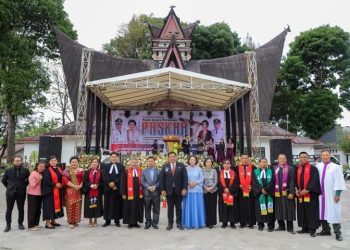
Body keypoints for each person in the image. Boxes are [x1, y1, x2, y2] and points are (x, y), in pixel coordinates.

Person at [316, 150, 347, 241]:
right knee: (322, 212)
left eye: (327, 155)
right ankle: (326, 230)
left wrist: (338, 194)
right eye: (323, 155)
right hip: (321, 194)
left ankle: (338, 233)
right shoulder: (318, 166)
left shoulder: (336, 167)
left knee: (334, 213)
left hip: (331, 194)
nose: (325, 157)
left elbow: (339, 181)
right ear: (321, 156)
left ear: (330, 156)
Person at [159, 152, 188, 230]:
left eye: (173, 157)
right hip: (169, 191)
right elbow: (161, 179)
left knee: (179, 208)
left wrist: (184, 188)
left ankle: (179, 223)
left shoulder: (181, 166)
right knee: (170, 208)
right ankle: (170, 223)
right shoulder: (165, 166)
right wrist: (162, 189)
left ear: (176, 157)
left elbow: (185, 178)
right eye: (170, 157)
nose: (172, 158)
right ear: (168, 158)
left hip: (179, 191)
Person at [295, 151, 321, 237]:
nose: (303, 158)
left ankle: (312, 229)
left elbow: (314, 180)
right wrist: (296, 190)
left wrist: (307, 189)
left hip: (310, 194)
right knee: (302, 211)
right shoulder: (297, 168)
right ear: (299, 158)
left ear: (308, 157)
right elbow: (295, 181)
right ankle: (304, 228)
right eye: (302, 157)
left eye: (305, 157)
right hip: (300, 195)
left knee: (311, 212)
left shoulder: (313, 168)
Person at [2, 156, 30, 232]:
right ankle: (8, 225)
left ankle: (20, 224)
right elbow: (4, 180)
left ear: (21, 161)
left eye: (19, 160)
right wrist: (9, 187)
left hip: (21, 193)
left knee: (21, 209)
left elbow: (28, 180)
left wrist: (23, 186)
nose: (17, 162)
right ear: (13, 162)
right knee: (9, 209)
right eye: (16, 160)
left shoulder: (26, 170)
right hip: (10, 193)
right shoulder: (8, 170)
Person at [274, 154, 296, 234]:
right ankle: (281, 226)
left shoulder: (290, 169)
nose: (282, 160)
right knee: (279, 209)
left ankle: (290, 228)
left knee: (289, 209)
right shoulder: (274, 169)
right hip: (277, 193)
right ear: (278, 159)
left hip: (287, 192)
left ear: (286, 159)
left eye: (284, 158)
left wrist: (291, 192)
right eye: (280, 158)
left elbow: (292, 181)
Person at [101, 151, 125, 227]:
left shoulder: (121, 166)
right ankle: (107, 221)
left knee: (117, 205)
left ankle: (117, 220)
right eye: (112, 157)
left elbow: (121, 177)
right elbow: (104, 176)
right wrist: (110, 183)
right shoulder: (106, 166)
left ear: (118, 158)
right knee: (107, 204)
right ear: (110, 158)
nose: (114, 158)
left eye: (115, 157)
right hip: (108, 188)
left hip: (117, 188)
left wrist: (114, 183)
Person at [182, 156, 205, 229]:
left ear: (196, 161)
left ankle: (198, 223)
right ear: (189, 160)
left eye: (194, 159)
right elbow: (184, 178)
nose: (192, 161)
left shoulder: (199, 169)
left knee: (197, 207)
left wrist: (195, 183)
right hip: (189, 189)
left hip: (197, 190)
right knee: (189, 207)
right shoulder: (185, 169)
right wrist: (189, 183)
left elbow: (202, 178)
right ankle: (189, 223)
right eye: (191, 159)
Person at [121, 157, 144, 229]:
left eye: (135, 162)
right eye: (133, 162)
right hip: (129, 194)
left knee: (137, 207)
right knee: (129, 208)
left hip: (138, 193)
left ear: (137, 163)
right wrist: (123, 193)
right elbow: (123, 182)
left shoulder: (140, 171)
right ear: (130, 163)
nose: (134, 164)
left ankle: (136, 222)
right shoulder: (126, 171)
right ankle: (130, 223)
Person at [252, 158, 275, 232]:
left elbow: (273, 182)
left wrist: (267, 190)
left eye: (265, 162)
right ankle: (260, 225)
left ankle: (270, 226)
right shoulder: (255, 172)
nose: (264, 163)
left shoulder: (271, 171)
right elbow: (254, 183)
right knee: (259, 210)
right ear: (259, 163)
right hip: (259, 194)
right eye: (262, 162)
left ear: (267, 163)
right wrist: (261, 190)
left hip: (269, 194)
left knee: (270, 210)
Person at [41, 156, 64, 229]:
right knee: (48, 207)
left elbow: (62, 178)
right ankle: (47, 223)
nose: (54, 162)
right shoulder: (47, 170)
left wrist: (61, 184)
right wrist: (55, 184)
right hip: (49, 192)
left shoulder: (59, 169)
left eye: (55, 160)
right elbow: (46, 181)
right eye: (52, 161)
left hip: (57, 190)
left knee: (55, 206)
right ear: (49, 162)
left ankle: (53, 221)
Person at [62, 156, 84, 229]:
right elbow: (64, 180)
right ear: (70, 163)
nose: (74, 163)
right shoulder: (67, 170)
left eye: (76, 162)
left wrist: (80, 185)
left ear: (78, 163)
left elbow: (85, 179)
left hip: (78, 190)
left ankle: (75, 221)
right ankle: (70, 222)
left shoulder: (81, 170)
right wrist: (74, 186)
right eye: (73, 162)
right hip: (70, 190)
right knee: (70, 206)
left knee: (77, 205)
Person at [218, 159, 239, 229]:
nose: (226, 165)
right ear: (223, 165)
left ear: (230, 165)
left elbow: (236, 183)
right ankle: (224, 222)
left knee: (232, 208)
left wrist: (229, 190)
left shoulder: (234, 173)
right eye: (225, 163)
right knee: (223, 208)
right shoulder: (220, 173)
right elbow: (218, 183)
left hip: (232, 193)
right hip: (223, 193)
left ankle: (232, 223)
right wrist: (224, 190)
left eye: (228, 163)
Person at [82, 157, 103, 227]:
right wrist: (91, 185)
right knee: (89, 206)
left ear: (98, 164)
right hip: (89, 192)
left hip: (97, 191)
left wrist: (97, 185)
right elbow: (85, 181)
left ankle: (95, 221)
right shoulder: (87, 172)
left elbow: (102, 182)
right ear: (91, 163)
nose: (94, 163)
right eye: (93, 162)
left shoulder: (101, 172)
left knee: (96, 206)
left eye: (96, 162)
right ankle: (90, 221)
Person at [237, 153, 256, 228]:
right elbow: (234, 178)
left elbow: (256, 179)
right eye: (243, 158)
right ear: (241, 159)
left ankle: (251, 223)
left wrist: (252, 186)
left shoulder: (254, 168)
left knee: (250, 207)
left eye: (246, 158)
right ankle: (242, 223)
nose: (244, 159)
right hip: (241, 191)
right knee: (242, 207)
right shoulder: (236, 168)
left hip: (250, 190)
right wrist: (238, 184)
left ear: (249, 159)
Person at [141, 156, 160, 229]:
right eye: (149, 161)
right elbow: (142, 181)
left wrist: (155, 186)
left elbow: (160, 180)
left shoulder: (158, 171)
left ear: (154, 162)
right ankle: (148, 222)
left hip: (156, 193)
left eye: (152, 161)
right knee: (147, 208)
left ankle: (155, 222)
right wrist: (148, 187)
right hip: (147, 193)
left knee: (156, 209)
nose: (150, 162)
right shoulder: (144, 171)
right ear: (147, 162)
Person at [27, 160, 45, 230]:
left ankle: (36, 223)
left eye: (43, 167)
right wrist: (39, 180)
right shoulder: (33, 173)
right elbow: (32, 185)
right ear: (37, 166)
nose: (42, 168)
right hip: (32, 194)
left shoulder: (42, 173)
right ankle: (31, 225)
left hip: (40, 194)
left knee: (38, 209)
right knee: (32, 210)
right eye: (40, 166)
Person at [202, 158, 218, 229]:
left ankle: (212, 222)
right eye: (207, 162)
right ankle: (207, 222)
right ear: (205, 163)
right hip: (205, 191)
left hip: (213, 191)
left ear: (212, 163)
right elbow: (201, 180)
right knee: (206, 207)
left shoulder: (214, 170)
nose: (208, 163)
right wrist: (205, 187)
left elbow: (216, 181)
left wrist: (211, 188)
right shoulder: (202, 171)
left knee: (212, 207)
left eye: (210, 162)